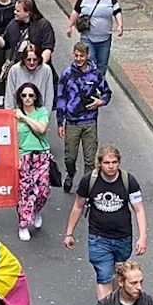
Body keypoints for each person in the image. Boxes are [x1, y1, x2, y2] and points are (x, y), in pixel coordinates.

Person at [64, 146, 149, 299]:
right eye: (107, 162)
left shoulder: (128, 181)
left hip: (123, 237)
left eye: (114, 162)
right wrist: (69, 233)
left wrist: (142, 237)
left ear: (119, 162)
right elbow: (78, 206)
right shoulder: (89, 181)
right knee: (103, 276)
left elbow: (139, 210)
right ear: (100, 163)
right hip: (98, 237)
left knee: (120, 275)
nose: (111, 166)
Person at [55, 42, 111, 193]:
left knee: (89, 159)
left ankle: (87, 188)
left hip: (90, 121)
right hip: (72, 122)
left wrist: (101, 102)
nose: (79, 59)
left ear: (87, 56)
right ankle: (71, 173)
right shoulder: (66, 74)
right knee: (70, 157)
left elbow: (107, 92)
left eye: (82, 56)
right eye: (76, 55)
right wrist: (60, 122)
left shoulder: (96, 74)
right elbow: (61, 98)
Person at [12, 83, 53, 242]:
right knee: (25, 191)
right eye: (24, 95)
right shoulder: (13, 115)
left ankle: (36, 210)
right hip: (23, 156)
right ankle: (23, 224)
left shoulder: (41, 112)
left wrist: (23, 118)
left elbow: (41, 129)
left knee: (43, 190)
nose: (27, 98)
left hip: (41, 155)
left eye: (30, 95)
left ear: (35, 97)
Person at [66, 0, 122, 82]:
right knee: (91, 61)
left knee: (102, 64)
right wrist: (70, 26)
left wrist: (120, 25)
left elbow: (117, 11)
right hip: (88, 37)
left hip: (105, 38)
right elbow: (76, 11)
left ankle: (98, 85)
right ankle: (89, 84)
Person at [3, 43, 55, 112]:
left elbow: (49, 95)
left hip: (39, 114)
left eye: (35, 59)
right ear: (23, 59)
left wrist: (45, 116)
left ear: (39, 59)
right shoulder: (14, 70)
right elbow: (10, 94)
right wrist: (10, 114)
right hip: (19, 113)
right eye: (28, 59)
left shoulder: (46, 70)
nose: (32, 62)